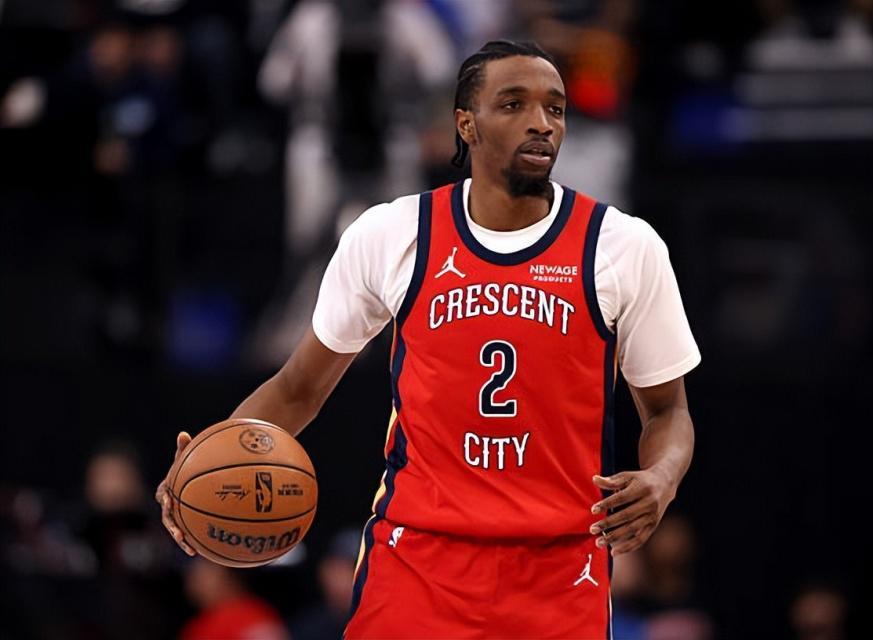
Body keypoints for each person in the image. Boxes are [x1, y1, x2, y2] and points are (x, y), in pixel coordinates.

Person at [157, 39, 701, 638]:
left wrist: (661, 478)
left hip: (559, 571)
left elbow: (668, 411)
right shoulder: (391, 234)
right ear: (466, 123)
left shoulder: (623, 247)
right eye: (514, 104)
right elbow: (297, 389)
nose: (541, 123)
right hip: (417, 563)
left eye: (555, 108)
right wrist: (203, 463)